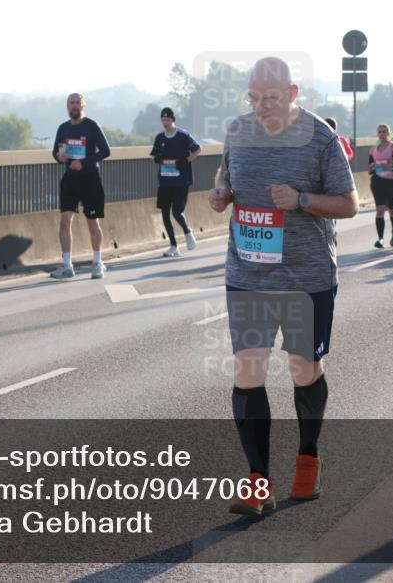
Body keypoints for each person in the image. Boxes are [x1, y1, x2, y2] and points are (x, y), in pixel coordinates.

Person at [209, 57, 358, 516]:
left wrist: (301, 200)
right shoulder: (238, 131)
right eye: (254, 98)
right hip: (248, 274)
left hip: (305, 277)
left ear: (292, 94)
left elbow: (350, 204)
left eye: (271, 99)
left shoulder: (320, 137)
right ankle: (258, 480)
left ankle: (308, 458)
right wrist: (221, 194)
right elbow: (225, 175)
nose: (261, 108)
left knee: (303, 369)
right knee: (247, 370)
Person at [50, 93, 111, 279]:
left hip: (90, 178)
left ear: (83, 105)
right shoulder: (63, 128)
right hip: (70, 179)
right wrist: (59, 157)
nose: (75, 106)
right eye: (71, 103)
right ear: (67, 106)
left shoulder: (92, 126)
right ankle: (67, 266)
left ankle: (97, 262)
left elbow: (106, 151)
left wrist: (83, 163)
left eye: (78, 103)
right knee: (64, 221)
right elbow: (56, 151)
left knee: (92, 222)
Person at [150, 107, 201, 257]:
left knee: (177, 212)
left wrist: (187, 160)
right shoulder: (160, 137)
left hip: (181, 181)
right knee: (165, 213)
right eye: (163, 120)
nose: (165, 123)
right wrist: (157, 158)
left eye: (168, 120)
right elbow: (153, 155)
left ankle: (187, 231)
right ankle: (173, 246)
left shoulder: (183, 135)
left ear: (173, 120)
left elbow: (198, 149)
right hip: (165, 181)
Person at [367, 124, 393, 248]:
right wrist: (371, 167)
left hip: (392, 181)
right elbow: (369, 168)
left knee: (392, 209)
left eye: (384, 132)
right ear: (377, 134)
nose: (382, 134)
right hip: (378, 181)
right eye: (380, 132)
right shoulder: (373, 149)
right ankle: (380, 239)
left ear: (388, 133)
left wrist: (387, 166)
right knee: (380, 209)